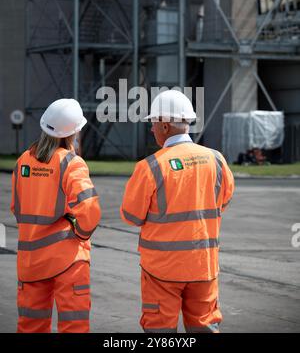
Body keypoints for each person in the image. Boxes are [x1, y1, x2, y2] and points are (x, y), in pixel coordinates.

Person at [120, 90, 234, 333]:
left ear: (164, 125)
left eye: (152, 123)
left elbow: (131, 216)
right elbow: (222, 201)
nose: (151, 129)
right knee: (205, 327)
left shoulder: (150, 166)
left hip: (162, 269)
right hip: (203, 265)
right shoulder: (216, 159)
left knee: (160, 330)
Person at [11, 98, 101, 333]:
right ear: (73, 133)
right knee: (73, 326)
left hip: (30, 260)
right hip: (67, 260)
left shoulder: (23, 162)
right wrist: (80, 233)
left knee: (31, 326)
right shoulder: (71, 163)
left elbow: (16, 208)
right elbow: (90, 210)